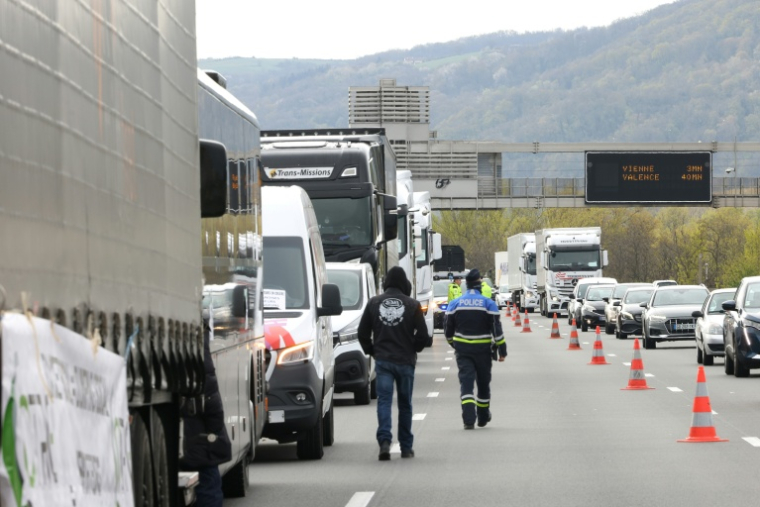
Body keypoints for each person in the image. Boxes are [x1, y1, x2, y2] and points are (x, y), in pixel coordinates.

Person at [359, 266, 432, 460]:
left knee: (384, 401)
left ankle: (384, 442)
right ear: (404, 284)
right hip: (405, 361)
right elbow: (423, 335)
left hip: (383, 361)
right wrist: (414, 349)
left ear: (386, 283)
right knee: (405, 404)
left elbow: (362, 333)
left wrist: (372, 350)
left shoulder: (374, 303)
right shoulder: (413, 305)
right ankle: (406, 447)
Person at [444, 268, 506, 430]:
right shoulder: (488, 304)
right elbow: (496, 330)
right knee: (483, 384)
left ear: (466, 284)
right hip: (483, 351)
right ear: (479, 283)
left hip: (463, 351)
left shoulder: (455, 304)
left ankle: (469, 419)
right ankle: (483, 416)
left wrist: (453, 343)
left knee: (466, 383)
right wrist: (502, 350)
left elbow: (448, 330)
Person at [180, 325, 232, 506]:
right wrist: (215, 430)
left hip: (182, 433)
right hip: (198, 437)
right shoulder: (193, 331)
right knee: (209, 491)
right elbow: (209, 390)